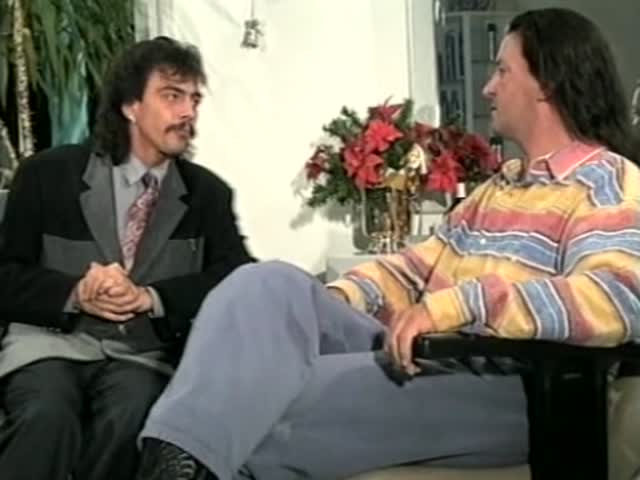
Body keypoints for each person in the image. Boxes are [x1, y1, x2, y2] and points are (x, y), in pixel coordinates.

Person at [136, 8, 640, 480]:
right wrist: (325, 309)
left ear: (546, 84)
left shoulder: (606, 182)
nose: (488, 87)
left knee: (260, 398)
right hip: (429, 360)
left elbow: (616, 298)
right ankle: (170, 465)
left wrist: (460, 305)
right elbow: (412, 270)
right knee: (263, 284)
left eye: (502, 72)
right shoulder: (501, 187)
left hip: (519, 388)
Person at [0, 36, 254, 480]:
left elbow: (237, 278)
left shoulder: (207, 194)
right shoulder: (46, 175)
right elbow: (6, 274)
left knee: (132, 416)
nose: (188, 112)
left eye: (194, 99)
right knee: (46, 414)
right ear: (131, 105)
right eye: (172, 96)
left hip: (141, 354)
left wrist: (151, 298)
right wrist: (75, 293)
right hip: (50, 343)